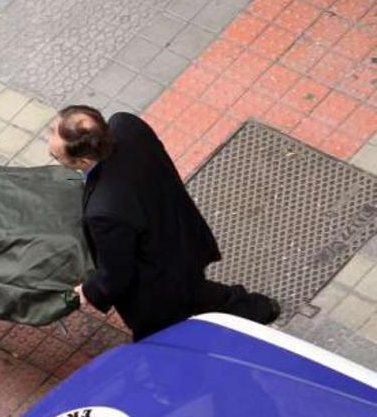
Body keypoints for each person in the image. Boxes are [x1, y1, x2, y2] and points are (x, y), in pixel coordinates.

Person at [47, 105, 279, 341]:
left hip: (158, 278)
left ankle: (251, 310)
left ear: (83, 160)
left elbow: (116, 273)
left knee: (157, 330)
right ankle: (256, 308)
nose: (50, 146)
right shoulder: (127, 125)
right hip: (182, 233)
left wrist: (89, 290)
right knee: (196, 292)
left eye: (58, 157)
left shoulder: (103, 211)